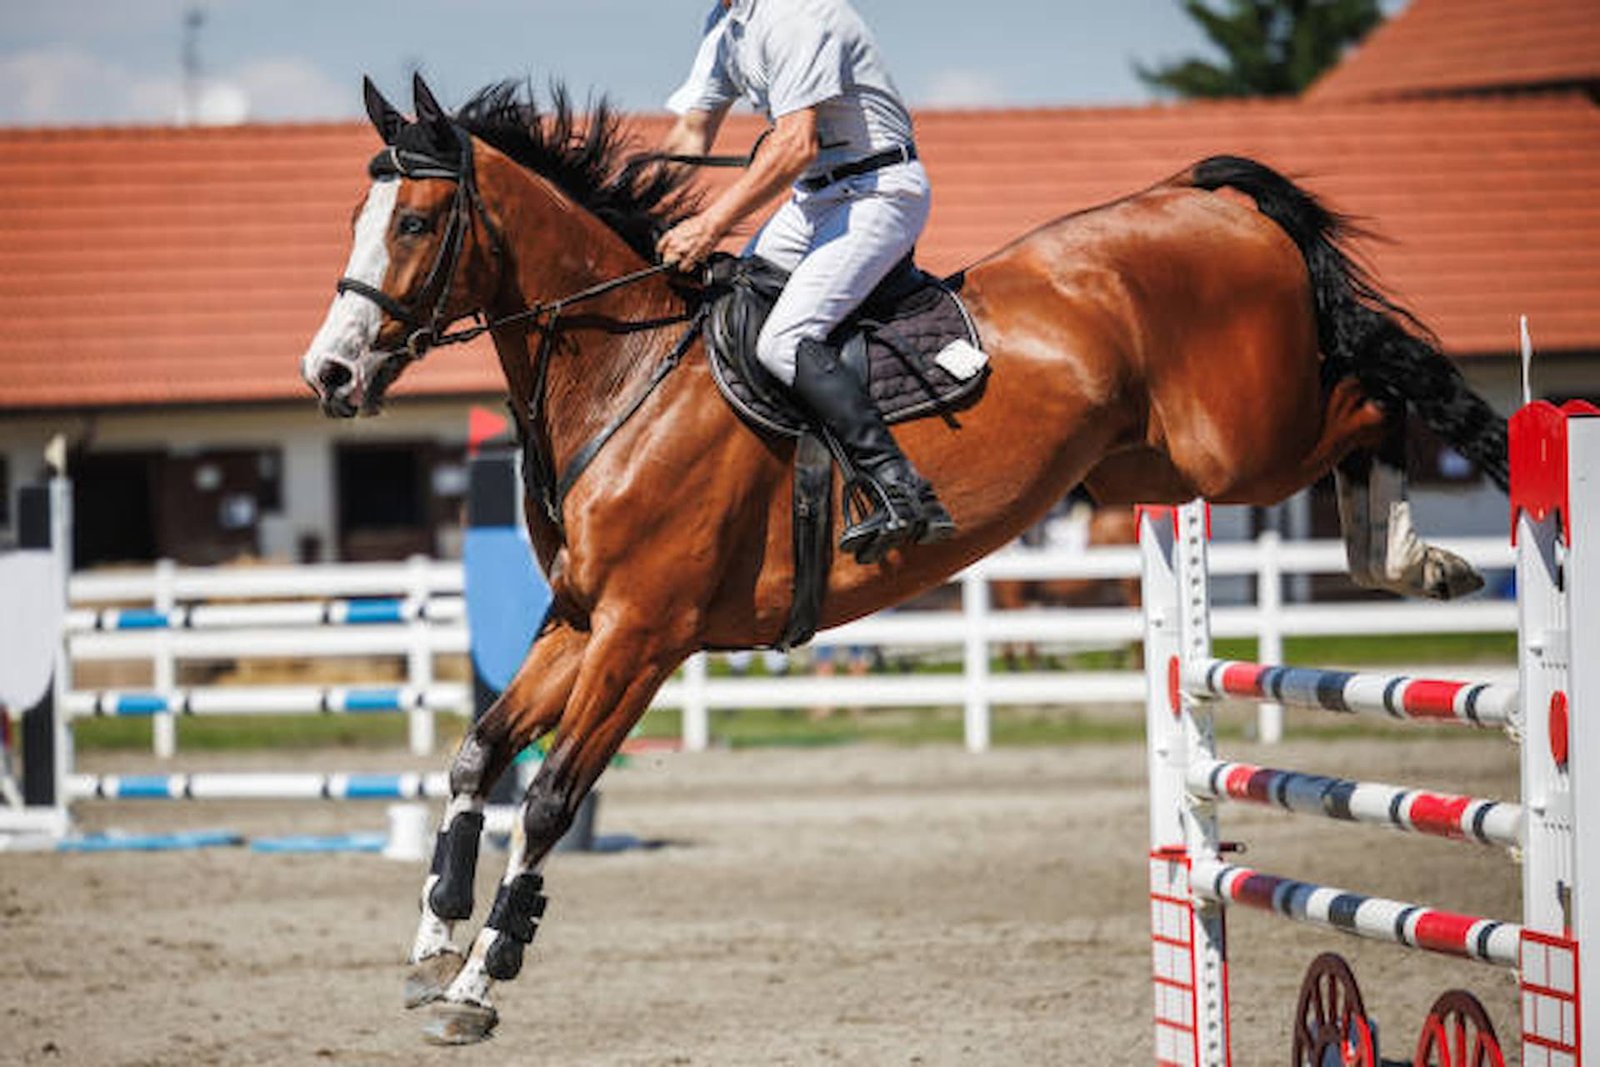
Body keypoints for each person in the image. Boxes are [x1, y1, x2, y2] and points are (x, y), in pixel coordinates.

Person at [655, 0, 954, 564]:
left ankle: (899, 486)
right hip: (816, 200)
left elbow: (796, 145)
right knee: (735, 306)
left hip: (879, 191)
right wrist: (620, 201)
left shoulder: (793, 15)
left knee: (783, 341)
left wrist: (710, 224)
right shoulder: (726, 23)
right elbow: (692, 133)